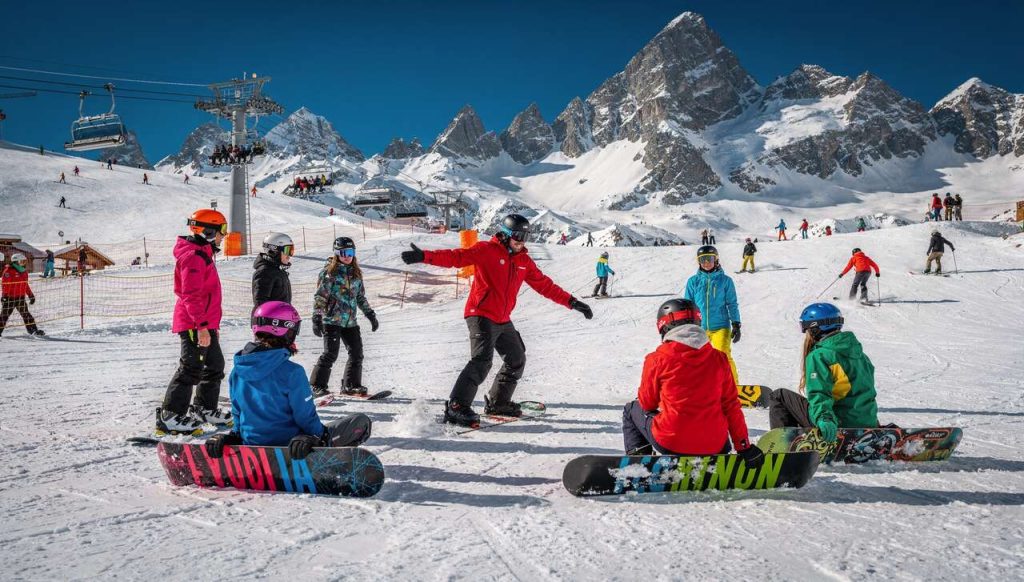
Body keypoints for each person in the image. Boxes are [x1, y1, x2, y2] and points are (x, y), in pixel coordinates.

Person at [400, 213, 593, 426]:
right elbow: (457, 257)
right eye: (518, 235)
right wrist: (425, 256)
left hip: (502, 318)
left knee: (516, 359)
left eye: (525, 236)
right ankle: (457, 406)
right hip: (480, 313)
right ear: (506, 234)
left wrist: (573, 302)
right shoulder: (487, 250)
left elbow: (544, 285)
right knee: (482, 360)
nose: (521, 241)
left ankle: (498, 402)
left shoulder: (524, 261)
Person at [204, 301, 372, 462]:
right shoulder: (292, 372)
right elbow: (305, 417)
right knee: (361, 421)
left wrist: (234, 435)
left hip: (253, 446)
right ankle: (325, 461)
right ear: (285, 330)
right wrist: (318, 437)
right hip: (292, 449)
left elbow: (238, 413)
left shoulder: (237, 371)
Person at [621, 299, 764, 466]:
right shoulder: (719, 358)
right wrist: (743, 447)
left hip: (672, 441)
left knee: (631, 409)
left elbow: (647, 403)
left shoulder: (657, 359)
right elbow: (731, 405)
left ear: (663, 326)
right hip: (716, 444)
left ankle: (639, 468)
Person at [156, 209, 233, 435]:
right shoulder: (194, 257)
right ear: (208, 231)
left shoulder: (203, 253)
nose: (224, 236)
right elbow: (191, 294)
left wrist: (211, 326)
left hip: (205, 322)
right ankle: (170, 416)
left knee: (215, 366)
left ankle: (203, 409)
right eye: (222, 231)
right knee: (191, 368)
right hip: (193, 322)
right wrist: (201, 326)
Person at [767, 303, 879, 442]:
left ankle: (785, 444)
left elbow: (819, 393)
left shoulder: (820, 355)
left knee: (779, 396)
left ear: (815, 328)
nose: (805, 332)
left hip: (837, 424)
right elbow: (866, 390)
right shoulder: (859, 353)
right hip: (866, 422)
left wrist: (824, 419)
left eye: (805, 327)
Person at [309, 237, 379, 397]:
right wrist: (317, 317)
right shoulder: (329, 273)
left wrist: (370, 314)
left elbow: (360, 297)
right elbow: (320, 297)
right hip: (332, 321)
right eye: (343, 253)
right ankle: (315, 385)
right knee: (330, 354)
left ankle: (351, 385)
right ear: (336, 254)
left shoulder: (356, 274)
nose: (347, 256)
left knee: (356, 353)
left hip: (350, 322)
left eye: (350, 252)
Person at [683, 245, 741, 382]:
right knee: (696, 359)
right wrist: (685, 325)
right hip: (699, 328)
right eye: (703, 260)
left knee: (723, 355)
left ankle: (733, 387)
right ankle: (700, 387)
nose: (706, 263)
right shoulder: (693, 281)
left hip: (721, 326)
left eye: (709, 259)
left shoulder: (726, 281)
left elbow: (732, 303)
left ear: (716, 259)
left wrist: (736, 324)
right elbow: (688, 304)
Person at [0, 253, 43, 337]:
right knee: (4, 316)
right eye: (21, 261)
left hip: (20, 298)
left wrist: (31, 295)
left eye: (24, 262)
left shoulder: (24, 272)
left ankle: (33, 331)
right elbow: (5, 285)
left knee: (26, 314)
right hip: (10, 298)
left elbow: (25, 285)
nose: (23, 263)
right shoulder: (8, 271)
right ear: (16, 262)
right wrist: (4, 296)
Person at [252, 233, 294, 310]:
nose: (289, 256)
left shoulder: (279, 271)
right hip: (270, 320)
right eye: (287, 250)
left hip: (281, 319)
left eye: (291, 250)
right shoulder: (264, 273)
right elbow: (261, 305)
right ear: (274, 251)